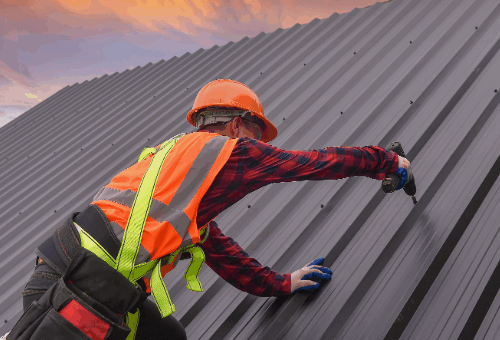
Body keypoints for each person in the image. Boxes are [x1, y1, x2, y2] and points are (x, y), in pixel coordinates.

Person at [7, 79, 412, 340]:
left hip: (74, 280)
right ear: (237, 126)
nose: (262, 146)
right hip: (76, 293)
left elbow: (218, 251)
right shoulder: (229, 152)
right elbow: (314, 163)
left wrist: (282, 284)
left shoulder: (176, 164)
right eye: (258, 132)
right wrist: (386, 162)